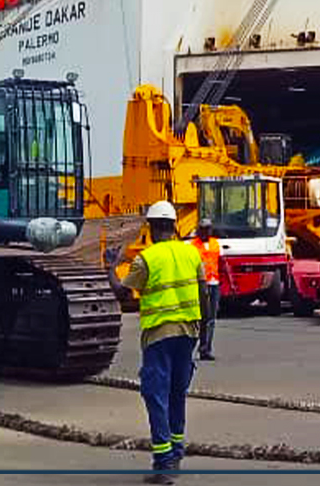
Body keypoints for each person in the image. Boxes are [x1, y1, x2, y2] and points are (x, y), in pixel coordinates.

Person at [104, 201, 205, 485]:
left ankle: (163, 463)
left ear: (150, 227)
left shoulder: (146, 259)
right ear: (174, 226)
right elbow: (203, 294)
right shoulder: (191, 253)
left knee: (155, 395)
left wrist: (110, 267)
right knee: (177, 394)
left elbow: (123, 294)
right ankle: (176, 452)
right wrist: (203, 336)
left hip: (160, 336)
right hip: (188, 334)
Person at [191, 219, 222, 362]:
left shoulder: (215, 243)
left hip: (214, 283)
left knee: (211, 318)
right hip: (201, 284)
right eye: (203, 229)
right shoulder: (194, 246)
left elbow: (220, 262)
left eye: (208, 228)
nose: (206, 231)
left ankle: (206, 349)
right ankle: (195, 346)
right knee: (201, 317)